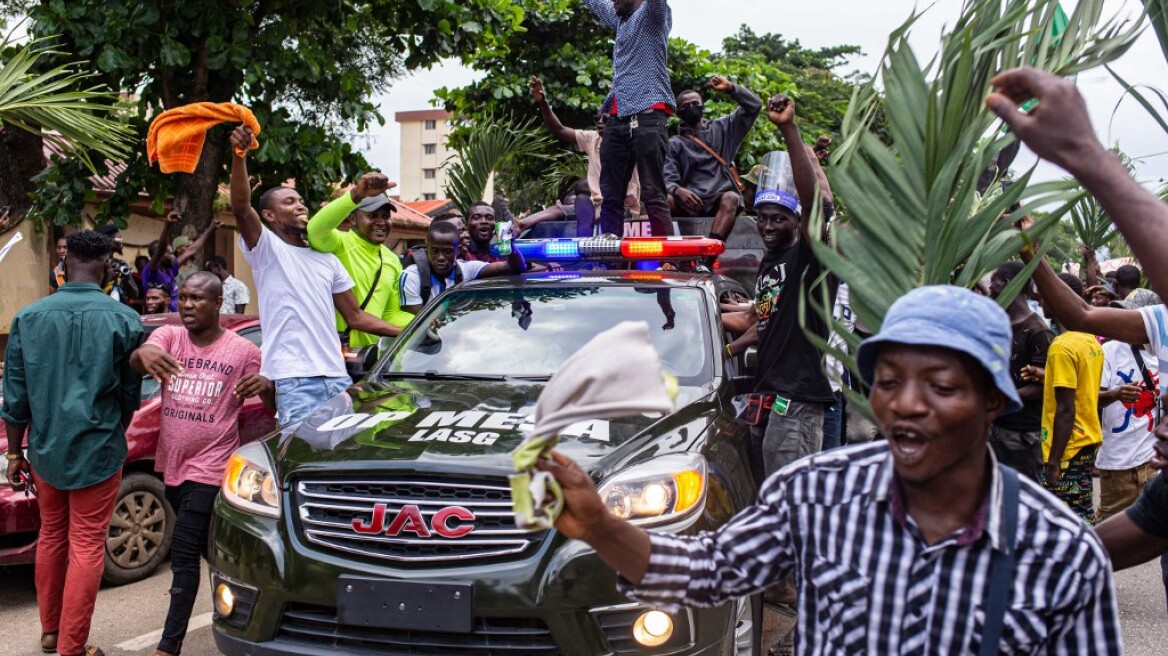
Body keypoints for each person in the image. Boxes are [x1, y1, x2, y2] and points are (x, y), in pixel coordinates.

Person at [541, 285, 1122, 654]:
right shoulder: (816, 493)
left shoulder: (1060, 549)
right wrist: (598, 526)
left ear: (994, 402)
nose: (907, 404)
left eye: (941, 386)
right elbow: (706, 572)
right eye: (889, 382)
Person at [3, 230, 144, 656]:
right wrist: (112, 430)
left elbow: (15, 395)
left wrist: (14, 451)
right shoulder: (125, 320)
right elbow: (128, 399)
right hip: (98, 450)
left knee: (51, 537)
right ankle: (72, 646)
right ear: (106, 268)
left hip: (45, 449)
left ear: (63, 267)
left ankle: (50, 633)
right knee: (85, 544)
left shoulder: (29, 318)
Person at [128, 272, 272, 656]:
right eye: (183, 298)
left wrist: (267, 387)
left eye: (197, 299)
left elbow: (272, 409)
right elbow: (140, 358)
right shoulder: (171, 337)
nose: (187, 306)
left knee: (185, 549)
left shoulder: (243, 351)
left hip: (212, 465)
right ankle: (254, 607)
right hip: (172, 463)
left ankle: (168, 645)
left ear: (218, 302)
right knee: (214, 550)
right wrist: (141, 355)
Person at [228, 124, 403, 426]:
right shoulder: (267, 250)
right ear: (269, 216)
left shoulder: (326, 260)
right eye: (289, 202)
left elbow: (357, 317)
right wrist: (240, 156)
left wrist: (410, 334)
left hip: (337, 377)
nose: (300, 205)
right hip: (295, 379)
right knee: (301, 459)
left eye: (300, 200)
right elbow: (242, 207)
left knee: (336, 461)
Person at [722, 94, 835, 482]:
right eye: (762, 218)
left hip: (798, 400)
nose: (768, 226)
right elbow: (760, 320)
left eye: (779, 220)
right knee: (766, 500)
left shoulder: (810, 257)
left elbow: (815, 203)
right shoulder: (771, 263)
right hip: (766, 395)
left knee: (790, 502)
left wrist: (788, 129)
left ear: (797, 222)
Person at [582, 0, 674, 238]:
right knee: (610, 194)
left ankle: (669, 263)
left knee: (652, 191)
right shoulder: (620, 19)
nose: (611, 2)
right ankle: (609, 259)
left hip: (649, 113)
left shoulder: (652, 16)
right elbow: (593, 2)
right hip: (618, 116)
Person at [307, 175, 413, 349]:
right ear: (352, 219)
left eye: (385, 216)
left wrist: (424, 322)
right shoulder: (339, 243)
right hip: (331, 354)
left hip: (368, 360)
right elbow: (314, 230)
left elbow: (389, 314)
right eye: (372, 215)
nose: (381, 222)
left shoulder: (392, 260)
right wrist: (356, 195)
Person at [530, 76, 640, 236]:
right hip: (594, 204)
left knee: (608, 202)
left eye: (605, 119)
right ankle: (519, 224)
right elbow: (559, 130)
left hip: (623, 204)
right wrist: (542, 102)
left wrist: (622, 102)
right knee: (566, 205)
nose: (600, 122)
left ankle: (587, 226)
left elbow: (637, 122)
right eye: (597, 118)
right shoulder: (592, 138)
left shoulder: (629, 139)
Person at [1038, 273, 1104, 524]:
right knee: (1082, 513)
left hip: (1067, 449)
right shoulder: (1091, 342)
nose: (1041, 300)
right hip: (1086, 442)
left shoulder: (1061, 347)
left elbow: (1066, 410)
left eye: (1045, 296)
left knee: (1064, 521)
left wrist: (1053, 462)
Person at [664, 76, 761, 244]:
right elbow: (667, 177)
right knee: (667, 200)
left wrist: (731, 88)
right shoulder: (674, 144)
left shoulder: (723, 128)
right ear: (678, 112)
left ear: (703, 106)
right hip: (690, 202)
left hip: (719, 199)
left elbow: (754, 106)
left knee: (731, 197)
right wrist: (678, 190)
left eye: (695, 103)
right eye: (685, 106)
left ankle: (709, 256)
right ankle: (674, 252)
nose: (691, 107)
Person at [987, 261, 1053, 481]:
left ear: (1007, 284)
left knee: (1021, 497)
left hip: (1023, 434)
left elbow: (1044, 387)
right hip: (995, 427)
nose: (989, 291)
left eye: (993, 285)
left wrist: (1000, 398)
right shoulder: (998, 325)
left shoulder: (1038, 332)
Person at [1097, 316, 1159, 522]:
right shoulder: (1110, 351)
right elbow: (1091, 397)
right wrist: (1115, 394)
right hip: (1117, 464)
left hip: (1152, 462)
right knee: (1108, 535)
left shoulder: (1163, 351)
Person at [399, 220, 525, 314]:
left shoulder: (466, 269)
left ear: (457, 249)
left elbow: (515, 267)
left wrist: (508, 241)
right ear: (427, 246)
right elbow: (420, 326)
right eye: (435, 251)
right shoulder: (411, 277)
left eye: (447, 251)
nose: (441, 257)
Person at [141, 212, 220, 312]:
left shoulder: (170, 268)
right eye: (169, 253)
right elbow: (161, 248)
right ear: (159, 257)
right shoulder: (152, 270)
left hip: (174, 315)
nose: (173, 255)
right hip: (159, 317)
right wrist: (168, 225)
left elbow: (192, 250)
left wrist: (210, 229)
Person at [95, 224, 140, 307]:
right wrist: (107, 278)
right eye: (119, 238)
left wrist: (127, 278)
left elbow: (135, 295)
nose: (122, 240)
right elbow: (93, 295)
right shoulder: (94, 264)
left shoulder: (120, 264)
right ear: (109, 240)